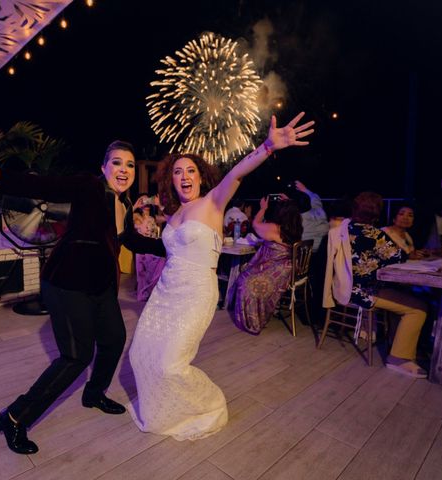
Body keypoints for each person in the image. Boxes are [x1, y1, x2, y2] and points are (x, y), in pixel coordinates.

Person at [0, 140, 165, 454]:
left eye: (130, 165)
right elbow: (48, 186)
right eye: (117, 163)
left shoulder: (126, 203)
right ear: (103, 168)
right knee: (76, 357)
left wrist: (167, 247)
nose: (124, 170)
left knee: (113, 338)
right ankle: (14, 416)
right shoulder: (88, 188)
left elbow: (130, 240)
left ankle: (94, 394)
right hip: (67, 284)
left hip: (100, 287)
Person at [128, 112, 314, 440]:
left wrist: (268, 147)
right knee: (140, 353)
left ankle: (208, 403)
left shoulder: (213, 202)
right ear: (171, 180)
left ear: (201, 176)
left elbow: (238, 173)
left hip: (197, 293)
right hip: (165, 293)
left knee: (172, 364)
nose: (184, 176)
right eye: (177, 172)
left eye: (190, 170)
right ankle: (163, 410)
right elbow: (166, 252)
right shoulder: (173, 214)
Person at [323, 192, 428, 378]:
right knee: (419, 308)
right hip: (364, 292)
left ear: (354, 210)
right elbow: (397, 256)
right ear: (377, 214)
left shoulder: (342, 229)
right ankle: (399, 358)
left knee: (409, 298)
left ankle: (399, 342)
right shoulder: (375, 234)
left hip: (343, 287)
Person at [233, 197, 303, 334]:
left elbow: (255, 224)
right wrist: (290, 203)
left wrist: (263, 208)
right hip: (289, 269)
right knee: (248, 277)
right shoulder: (296, 228)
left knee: (245, 281)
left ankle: (253, 321)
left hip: (278, 269)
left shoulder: (274, 228)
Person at [133, 196, 166, 301]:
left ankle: (151, 293)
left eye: (148, 201)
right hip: (140, 248)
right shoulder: (135, 216)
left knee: (153, 273)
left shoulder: (153, 218)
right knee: (141, 273)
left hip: (151, 249)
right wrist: (134, 206)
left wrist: (159, 205)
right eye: (143, 202)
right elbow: (126, 220)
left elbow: (168, 218)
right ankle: (142, 294)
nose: (146, 204)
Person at [292, 180, 329, 253]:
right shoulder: (320, 213)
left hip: (303, 258)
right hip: (322, 255)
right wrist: (305, 190)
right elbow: (316, 201)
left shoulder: (296, 221)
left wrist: (288, 203)